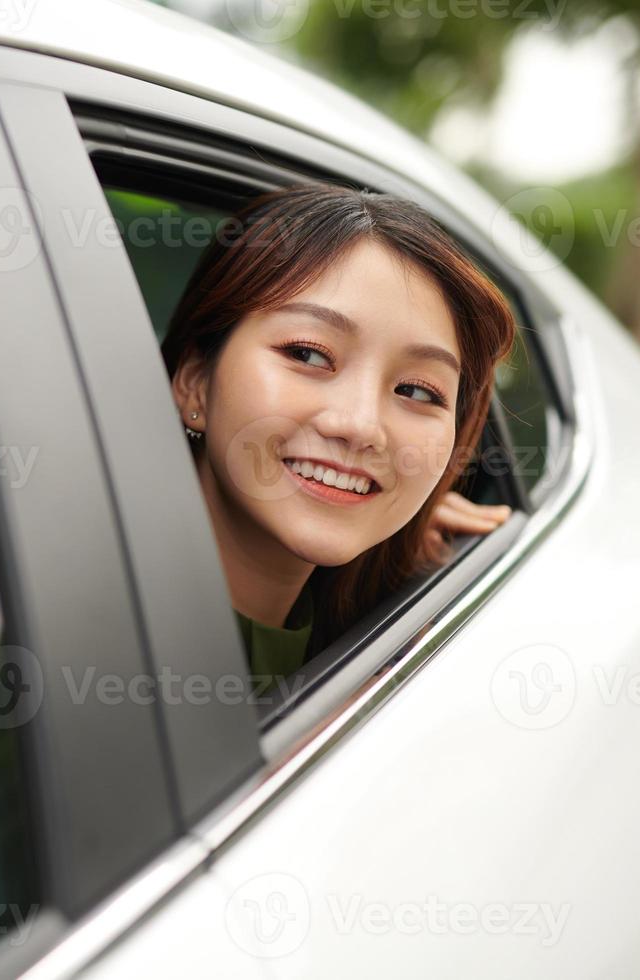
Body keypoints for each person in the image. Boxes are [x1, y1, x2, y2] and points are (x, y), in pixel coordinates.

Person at [161, 182, 518, 694]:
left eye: (417, 390)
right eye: (308, 355)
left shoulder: (373, 631)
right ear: (195, 379)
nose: (360, 426)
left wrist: (407, 530)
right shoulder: (61, 629)